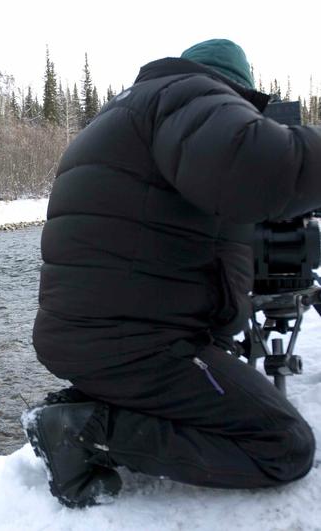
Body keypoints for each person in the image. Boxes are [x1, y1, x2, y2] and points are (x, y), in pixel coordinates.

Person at [22, 38, 319, 508]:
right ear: (233, 92)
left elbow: (162, 239)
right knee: (283, 445)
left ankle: (91, 406)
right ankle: (85, 431)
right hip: (140, 346)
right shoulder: (189, 97)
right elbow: (261, 166)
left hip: (90, 340)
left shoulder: (126, 114)